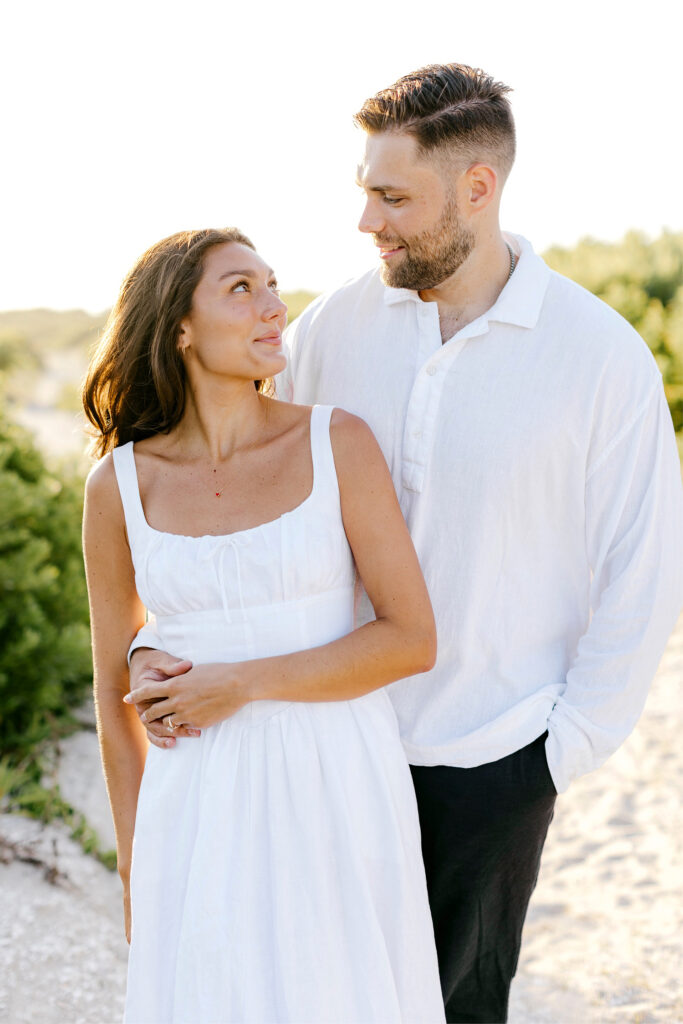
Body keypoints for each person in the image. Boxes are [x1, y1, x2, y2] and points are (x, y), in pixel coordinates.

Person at [129, 65, 683, 1024]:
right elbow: (234, 481)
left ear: (477, 188)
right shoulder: (331, 327)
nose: (367, 223)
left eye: (393, 197)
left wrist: (559, 749)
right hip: (325, 743)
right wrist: (161, 635)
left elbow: (644, 564)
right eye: (366, 193)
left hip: (490, 755)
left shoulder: (596, 356)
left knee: (459, 1009)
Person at [81, 227, 446, 1024]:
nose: (275, 308)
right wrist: (136, 869)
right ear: (178, 326)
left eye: (273, 286)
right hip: (194, 806)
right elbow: (114, 694)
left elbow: (410, 638)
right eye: (241, 288)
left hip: (335, 785)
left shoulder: (335, 441)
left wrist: (240, 683)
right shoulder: (117, 486)